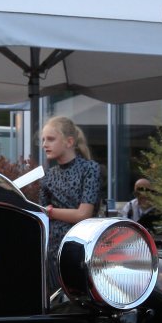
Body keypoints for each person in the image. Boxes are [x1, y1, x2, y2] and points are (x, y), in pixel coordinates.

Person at [39, 116, 101, 284]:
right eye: (43, 140)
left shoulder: (90, 169)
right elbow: (42, 215)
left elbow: (83, 214)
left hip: (81, 247)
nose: (44, 144)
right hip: (51, 251)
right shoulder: (48, 176)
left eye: (50, 139)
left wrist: (50, 212)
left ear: (69, 142)